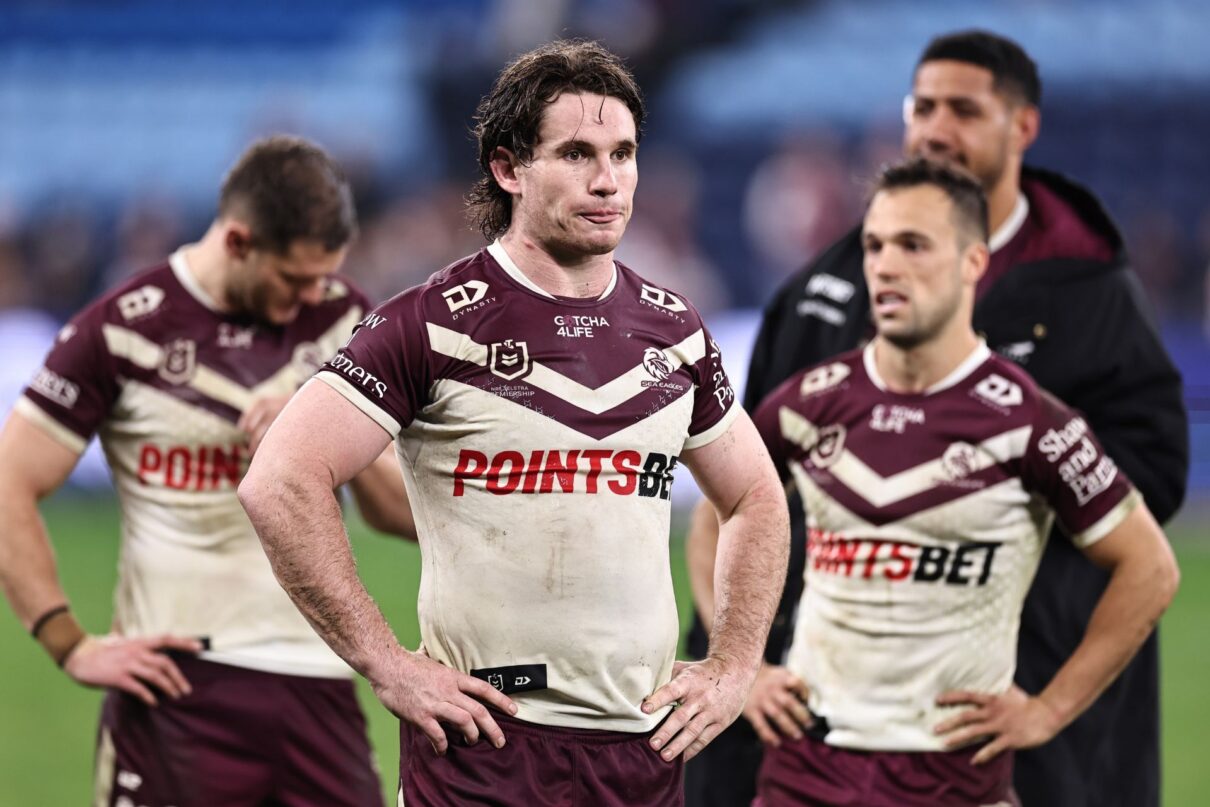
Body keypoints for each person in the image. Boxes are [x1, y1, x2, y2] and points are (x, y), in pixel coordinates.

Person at [238, 40, 790, 807]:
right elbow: (280, 479)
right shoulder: (430, 323)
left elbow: (757, 498)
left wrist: (734, 665)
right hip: (483, 753)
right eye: (575, 153)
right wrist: (388, 663)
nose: (608, 180)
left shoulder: (676, 332)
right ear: (508, 169)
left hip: (644, 752)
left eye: (623, 153)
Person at [684, 30, 1189, 807]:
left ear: (972, 264)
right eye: (877, 245)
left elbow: (1151, 559)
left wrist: (1048, 703)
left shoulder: (1038, 403)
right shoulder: (811, 388)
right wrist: (737, 665)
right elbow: (720, 510)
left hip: (964, 768)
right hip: (805, 771)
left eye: (913, 246)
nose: (885, 265)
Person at [0, 135, 412, 807]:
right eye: (293, 280)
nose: (311, 295)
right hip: (176, 685)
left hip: (319, 678)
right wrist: (67, 641)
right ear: (240, 241)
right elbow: (10, 479)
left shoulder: (341, 316)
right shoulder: (123, 328)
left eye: (322, 276)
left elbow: (400, 512)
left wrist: (318, 428)